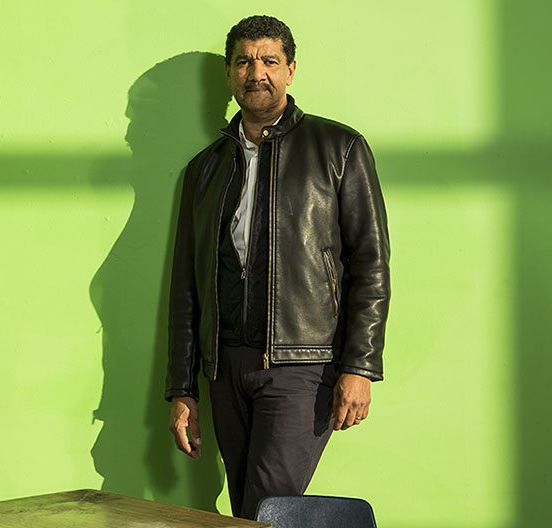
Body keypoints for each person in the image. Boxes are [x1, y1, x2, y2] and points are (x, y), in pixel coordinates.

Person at [164, 15, 390, 520]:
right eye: (244, 60)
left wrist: (359, 366)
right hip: (225, 369)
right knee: (248, 508)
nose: (256, 71)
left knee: (266, 508)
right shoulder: (205, 169)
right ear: (228, 73)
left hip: (302, 366)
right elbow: (187, 286)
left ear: (291, 70)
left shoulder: (340, 148)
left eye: (269, 60)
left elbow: (371, 263)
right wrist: (182, 387)